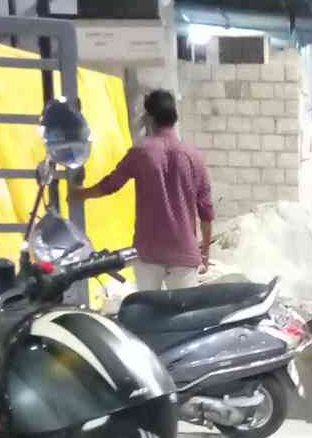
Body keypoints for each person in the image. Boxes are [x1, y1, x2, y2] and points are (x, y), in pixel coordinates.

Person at [71, 88, 213, 293]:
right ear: (174, 117)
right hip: (184, 252)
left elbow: (110, 185)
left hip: (149, 252)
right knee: (185, 317)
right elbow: (206, 210)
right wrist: (205, 251)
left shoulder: (140, 153)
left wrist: (80, 194)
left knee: (148, 315)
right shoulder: (194, 156)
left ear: (149, 117)